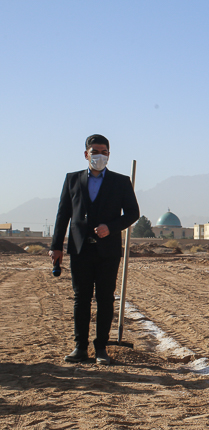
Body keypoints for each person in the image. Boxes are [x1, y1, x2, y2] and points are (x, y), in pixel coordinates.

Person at [49, 134, 140, 365]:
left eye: (104, 152)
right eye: (95, 152)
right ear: (86, 154)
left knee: (105, 299)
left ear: (109, 155)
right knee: (81, 298)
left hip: (108, 251)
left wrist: (111, 227)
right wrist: (56, 246)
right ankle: (80, 347)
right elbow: (63, 214)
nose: (99, 156)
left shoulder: (121, 182)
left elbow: (133, 213)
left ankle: (101, 348)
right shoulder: (72, 179)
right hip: (80, 249)